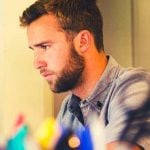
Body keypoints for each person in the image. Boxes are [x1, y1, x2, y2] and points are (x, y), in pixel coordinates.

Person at [20, 0, 150, 149]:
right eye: (34, 50)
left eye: (45, 46)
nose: (36, 63)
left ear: (83, 41)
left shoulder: (137, 86)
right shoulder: (68, 110)